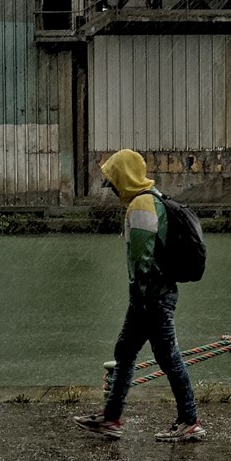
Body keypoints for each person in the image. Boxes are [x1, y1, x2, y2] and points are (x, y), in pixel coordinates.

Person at [77, 147, 204, 441]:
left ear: (124, 177)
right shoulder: (151, 199)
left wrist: (142, 300)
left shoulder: (141, 207)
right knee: (125, 350)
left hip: (152, 298)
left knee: (168, 357)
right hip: (152, 297)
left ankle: (189, 420)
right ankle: (111, 417)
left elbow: (142, 260)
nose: (111, 190)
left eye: (113, 182)